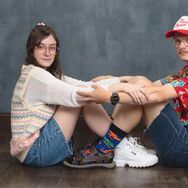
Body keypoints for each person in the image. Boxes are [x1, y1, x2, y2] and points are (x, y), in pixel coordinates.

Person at [64, 16, 188, 168]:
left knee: (143, 90)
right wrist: (115, 80)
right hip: (180, 143)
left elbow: (155, 94)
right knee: (140, 83)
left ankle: (105, 147)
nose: (182, 46)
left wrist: (107, 96)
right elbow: (150, 84)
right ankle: (114, 145)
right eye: (178, 41)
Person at [10, 23, 158, 168]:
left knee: (86, 92)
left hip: (37, 147)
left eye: (52, 47)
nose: (48, 53)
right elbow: (81, 93)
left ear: (57, 51)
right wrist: (122, 86)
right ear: (31, 50)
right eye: (41, 47)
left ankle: (120, 146)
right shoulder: (37, 77)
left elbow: (85, 84)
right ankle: (121, 146)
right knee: (86, 97)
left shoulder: (46, 74)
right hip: (36, 152)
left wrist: (122, 79)